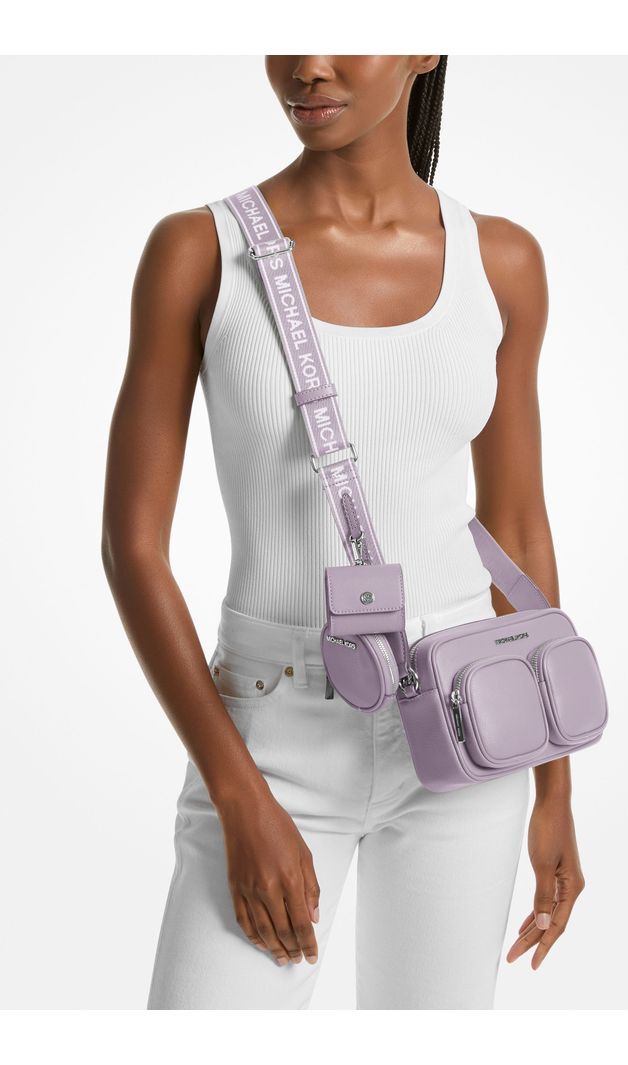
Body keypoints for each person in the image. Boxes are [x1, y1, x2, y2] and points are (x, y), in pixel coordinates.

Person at [101, 55, 585, 1011]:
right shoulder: (198, 251)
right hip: (266, 734)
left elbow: (519, 531)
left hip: (469, 726)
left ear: (425, 43)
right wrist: (237, 793)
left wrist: (554, 787)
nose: (308, 63)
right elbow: (133, 546)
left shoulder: (502, 262)